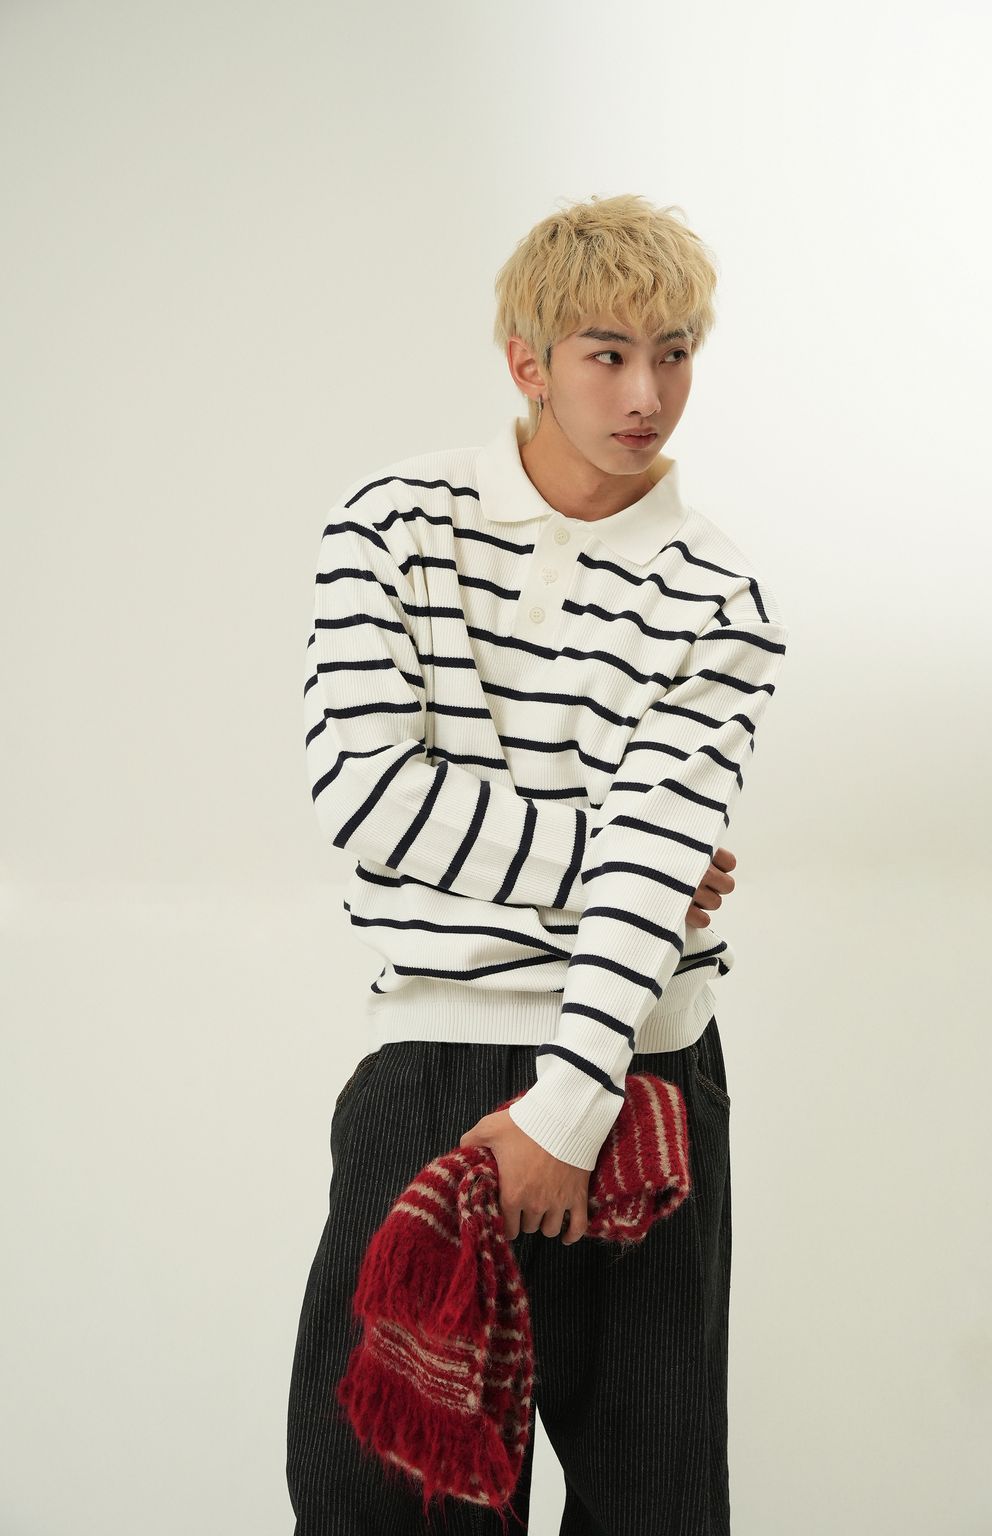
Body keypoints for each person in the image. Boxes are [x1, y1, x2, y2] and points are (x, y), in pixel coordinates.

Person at [287, 192, 790, 1535]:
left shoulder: (718, 592)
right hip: (434, 1059)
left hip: (647, 1068)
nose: (647, 395)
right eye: (607, 354)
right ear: (528, 361)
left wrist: (570, 1111)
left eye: (674, 353)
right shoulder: (392, 526)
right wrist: (629, 861)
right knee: (385, 1500)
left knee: (654, 1499)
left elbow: (650, 858)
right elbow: (369, 799)